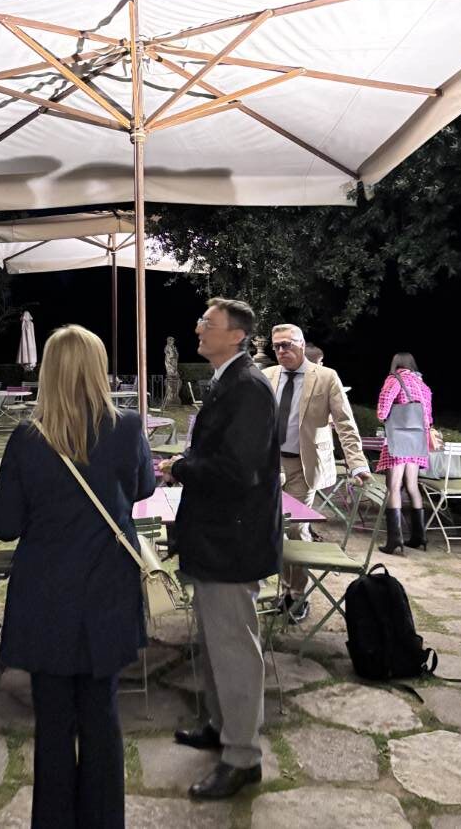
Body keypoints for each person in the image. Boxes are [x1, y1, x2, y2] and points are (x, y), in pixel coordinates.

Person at [0, 325, 154, 829]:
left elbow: (5, 524)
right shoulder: (127, 427)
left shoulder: (26, 438)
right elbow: (143, 487)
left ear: (48, 373)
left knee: (54, 724)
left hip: (46, 595)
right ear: (97, 370)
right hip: (108, 590)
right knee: (102, 717)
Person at [161, 297, 281, 801]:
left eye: (207, 324)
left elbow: (238, 470)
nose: (198, 329)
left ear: (236, 335)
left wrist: (181, 468)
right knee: (214, 643)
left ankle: (242, 758)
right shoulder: (228, 381)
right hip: (215, 537)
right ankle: (220, 725)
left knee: (234, 649)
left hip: (233, 540)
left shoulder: (248, 387)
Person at [263, 324, 368, 623]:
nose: (281, 350)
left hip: (303, 466)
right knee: (274, 528)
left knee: (295, 528)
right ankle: (284, 588)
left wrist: (357, 463)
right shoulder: (267, 376)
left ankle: (296, 595)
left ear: (301, 344)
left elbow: (345, 423)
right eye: (276, 346)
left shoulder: (326, 377)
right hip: (269, 466)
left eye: (287, 344)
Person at [376, 352, 433, 553]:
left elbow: (383, 410)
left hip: (399, 437)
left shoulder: (394, 380)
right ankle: (419, 536)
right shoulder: (423, 385)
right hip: (418, 438)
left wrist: (383, 415)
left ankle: (395, 539)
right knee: (412, 486)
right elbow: (429, 418)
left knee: (393, 487)